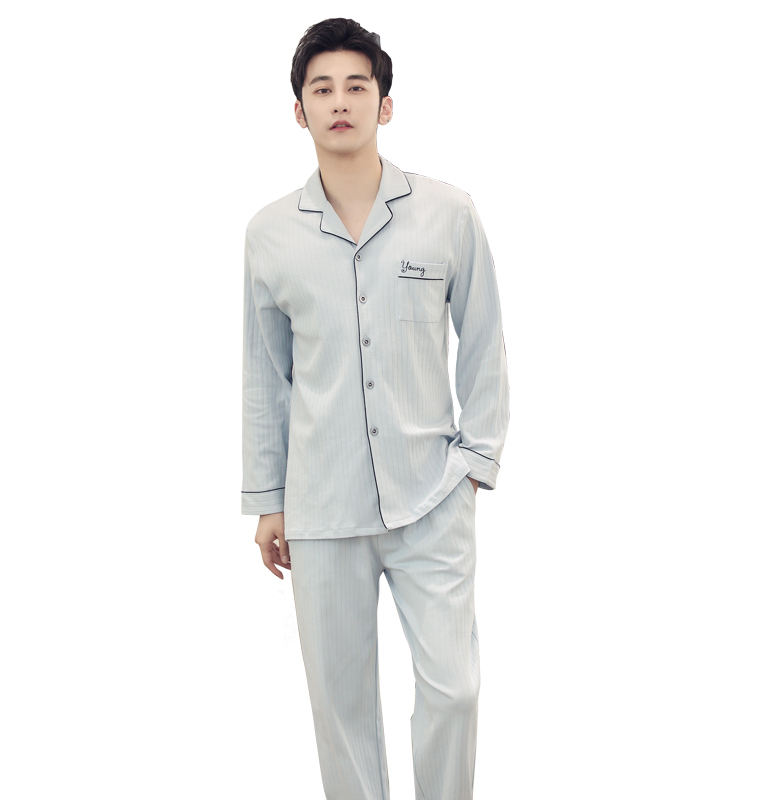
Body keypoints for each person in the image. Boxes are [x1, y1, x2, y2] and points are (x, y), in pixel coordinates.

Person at [241, 17, 510, 799]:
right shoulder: (268, 234)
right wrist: (267, 500)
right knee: (341, 708)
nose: (340, 102)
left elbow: (485, 338)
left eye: (356, 86)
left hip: (432, 495)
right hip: (320, 505)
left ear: (385, 104)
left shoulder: (448, 212)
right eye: (322, 89)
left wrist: (475, 463)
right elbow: (264, 376)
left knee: (454, 690)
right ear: (299, 111)